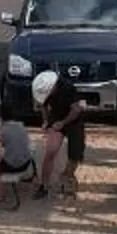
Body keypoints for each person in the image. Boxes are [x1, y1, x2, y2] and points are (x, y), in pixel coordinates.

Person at [31, 68, 88, 196]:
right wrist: (46, 121)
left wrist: (63, 123)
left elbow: (76, 110)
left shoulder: (68, 88)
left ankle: (68, 175)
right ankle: (44, 186)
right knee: (50, 151)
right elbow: (43, 107)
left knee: (76, 152)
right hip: (56, 117)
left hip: (73, 120)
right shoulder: (45, 91)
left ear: (53, 87)